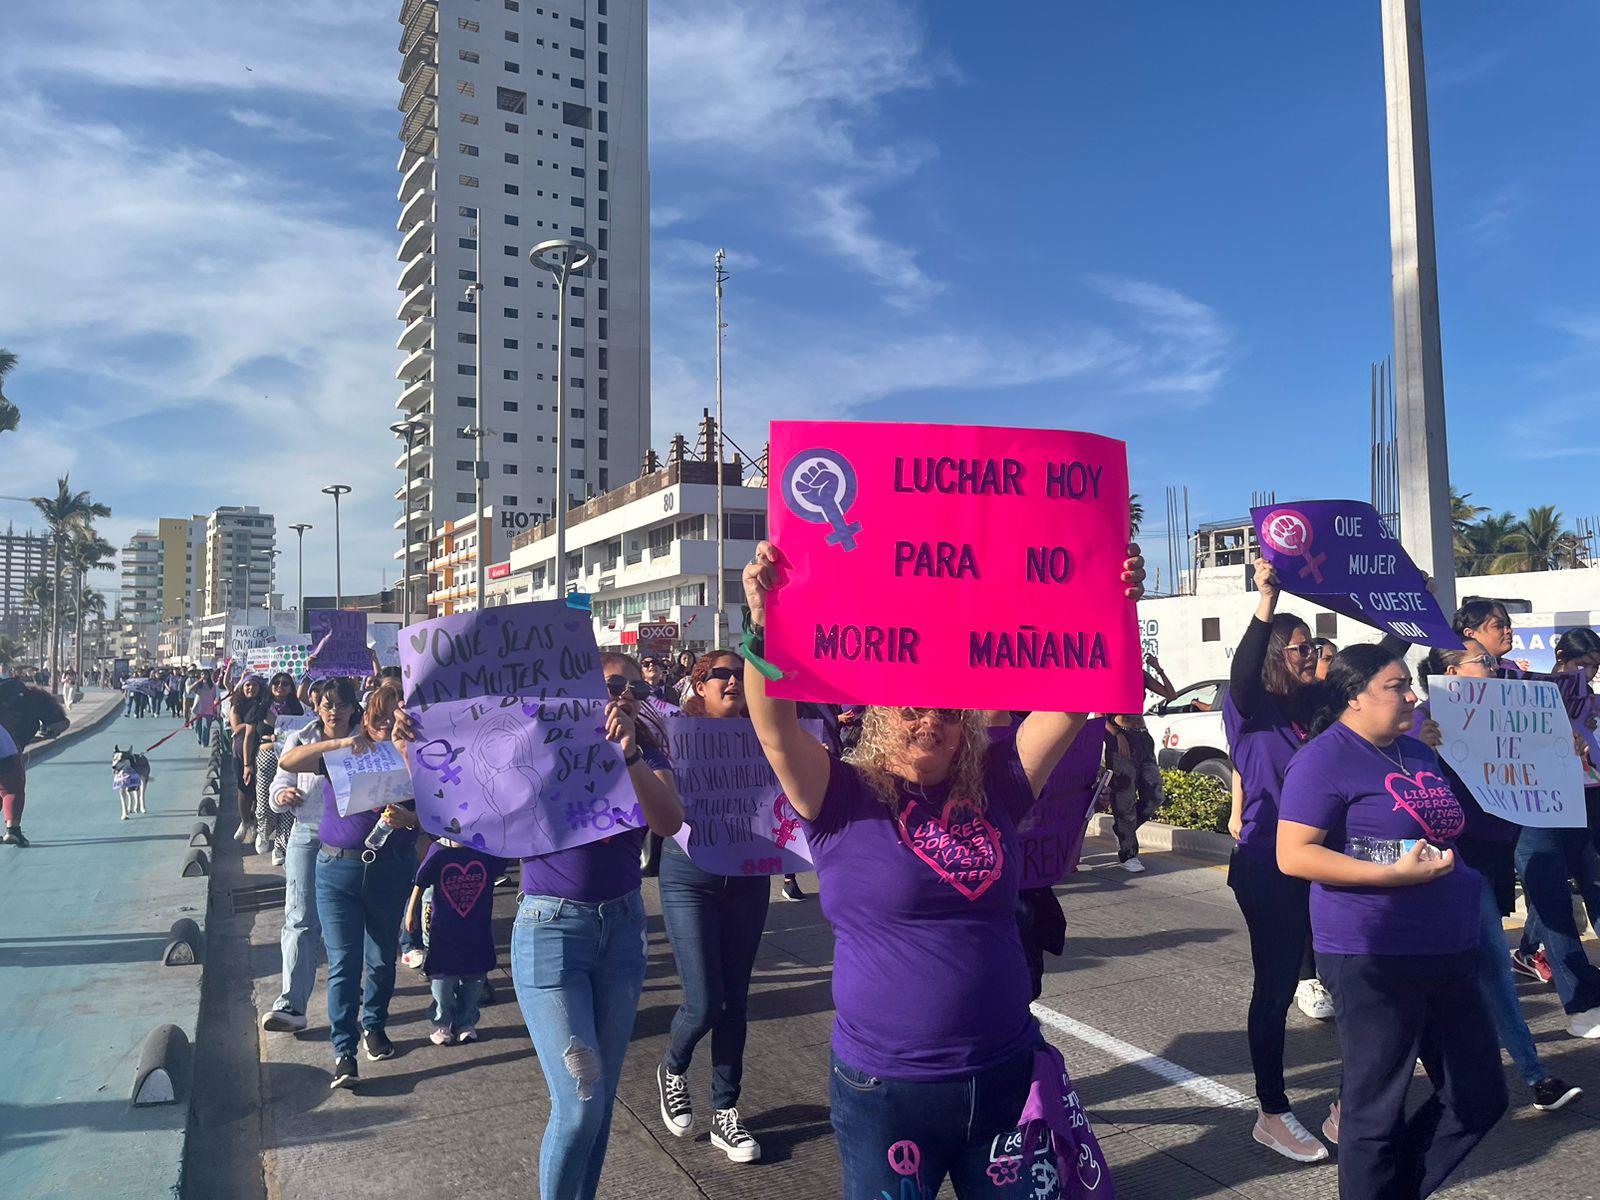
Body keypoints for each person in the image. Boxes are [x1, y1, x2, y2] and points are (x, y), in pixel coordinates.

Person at [739, 538, 1142, 1196]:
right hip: (885, 1093)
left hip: (1006, 1076)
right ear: (875, 718)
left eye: (947, 710)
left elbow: (1075, 696)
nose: (929, 718)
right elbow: (774, 727)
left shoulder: (999, 786)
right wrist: (763, 622)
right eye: (909, 706)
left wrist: (1112, 604)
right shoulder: (837, 795)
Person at [397, 651, 684, 1199]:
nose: (621, 693)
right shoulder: (538, 749)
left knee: (600, 1104)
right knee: (580, 1101)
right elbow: (460, 806)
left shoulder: (645, 749)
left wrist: (631, 757)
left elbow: (668, 821)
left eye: (633, 686)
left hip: (622, 931)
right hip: (551, 932)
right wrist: (408, 744)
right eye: (609, 684)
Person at [1277, 643, 1507, 1199]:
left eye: (1410, 685)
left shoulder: (1416, 752)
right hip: (1373, 952)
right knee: (1374, 1111)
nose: (1412, 695)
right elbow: (1293, 854)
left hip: (1448, 947)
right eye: (1396, 686)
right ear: (1353, 697)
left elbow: (1460, 826)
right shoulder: (1323, 757)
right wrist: (1391, 876)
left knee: (1479, 1095)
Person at [1413, 642, 1582, 1111]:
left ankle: (1533, 1076)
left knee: (1490, 967)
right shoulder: (1420, 719)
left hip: (1484, 859)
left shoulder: (1507, 709)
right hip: (1438, 864)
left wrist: (1563, 745)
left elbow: (1532, 764)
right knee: (1450, 971)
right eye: (1482, 662)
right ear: (1453, 671)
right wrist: (1416, 741)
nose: (1493, 667)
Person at [1222, 559, 1330, 1161]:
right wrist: (1266, 602)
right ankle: (1272, 1110)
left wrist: (1409, 604)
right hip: (1267, 864)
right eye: (1298, 648)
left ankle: (1351, 1102)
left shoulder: (1308, 706)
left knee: (1354, 977)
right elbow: (1243, 668)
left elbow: (1365, 679)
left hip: (1320, 861)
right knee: (1278, 985)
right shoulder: (1248, 705)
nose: (1307, 656)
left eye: (1311, 646)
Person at [279, 680, 418, 1088]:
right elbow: (289, 761)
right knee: (344, 963)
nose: (387, 725)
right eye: (379, 716)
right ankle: (344, 1050)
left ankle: (374, 1024)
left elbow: (445, 815)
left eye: (397, 716)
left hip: (390, 868)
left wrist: (411, 819)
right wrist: (336, 746)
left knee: (380, 958)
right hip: (336, 870)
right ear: (367, 718)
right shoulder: (346, 753)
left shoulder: (420, 758)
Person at [655, 650, 765, 1163]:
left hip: (747, 876)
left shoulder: (763, 731)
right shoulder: (675, 733)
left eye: (742, 675)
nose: (734, 682)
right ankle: (674, 1066)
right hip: (690, 877)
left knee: (736, 1001)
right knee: (704, 1001)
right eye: (722, 674)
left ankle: (726, 1112)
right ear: (699, 684)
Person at [263, 678, 338, 1033]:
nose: (333, 710)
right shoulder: (300, 738)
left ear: (355, 707)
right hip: (307, 833)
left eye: (340, 704)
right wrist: (283, 797)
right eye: (327, 704)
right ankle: (292, 1003)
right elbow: (280, 782)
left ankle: (356, 999)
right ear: (316, 706)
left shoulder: (367, 738)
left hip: (355, 841)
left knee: (349, 927)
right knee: (300, 918)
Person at [406, 836, 503, 1045]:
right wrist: (411, 911)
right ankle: (442, 1021)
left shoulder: (487, 851)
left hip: (477, 933)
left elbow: (508, 852)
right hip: (444, 934)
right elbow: (420, 881)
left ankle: (465, 1021)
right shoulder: (439, 851)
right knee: (442, 982)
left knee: (475, 980)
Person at [0, 673, 69, 847]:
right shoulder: (35, 700)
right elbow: (59, 723)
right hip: (7, 749)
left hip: (10, 745)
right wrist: (45, 734)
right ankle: (13, 831)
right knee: (12, 789)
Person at [1102, 711, 1164, 872]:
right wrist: (1117, 734)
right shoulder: (1111, 684)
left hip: (1143, 737)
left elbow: (1171, 696)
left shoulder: (1141, 683)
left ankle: (1122, 830)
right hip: (1120, 736)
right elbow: (1099, 718)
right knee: (1125, 800)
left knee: (1155, 796)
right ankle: (1128, 855)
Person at [229, 674, 270, 845]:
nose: (250, 688)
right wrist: (254, 722)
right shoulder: (236, 706)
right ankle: (245, 820)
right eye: (247, 685)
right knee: (244, 788)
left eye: (254, 685)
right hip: (241, 751)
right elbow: (237, 728)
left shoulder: (265, 705)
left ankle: (255, 822)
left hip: (260, 749)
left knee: (259, 789)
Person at [189, 670, 220, 748]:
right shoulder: (198, 685)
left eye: (206, 674)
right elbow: (189, 690)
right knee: (197, 727)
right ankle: (199, 738)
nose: (204, 676)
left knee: (206, 727)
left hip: (208, 709)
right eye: (202, 674)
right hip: (197, 709)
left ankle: (205, 743)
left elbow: (215, 697)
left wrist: (215, 709)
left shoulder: (212, 686)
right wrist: (198, 681)